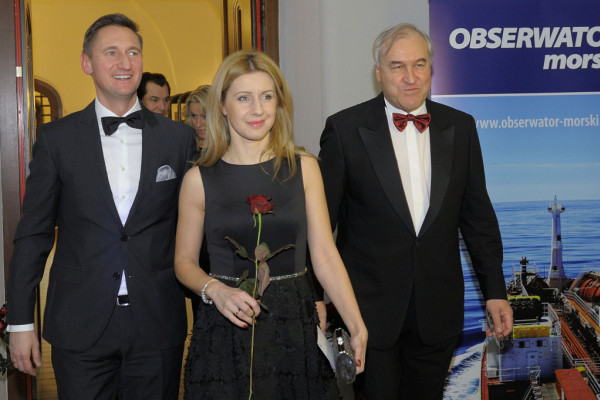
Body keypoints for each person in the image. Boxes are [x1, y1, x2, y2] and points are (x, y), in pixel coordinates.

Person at [318, 23, 513, 400]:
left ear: (431, 69)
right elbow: (322, 225)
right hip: (366, 313)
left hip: (437, 309)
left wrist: (495, 291)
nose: (410, 77)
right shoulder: (344, 130)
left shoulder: (461, 127)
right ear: (379, 73)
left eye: (419, 64)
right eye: (397, 66)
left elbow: (478, 218)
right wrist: (315, 296)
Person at [7, 13, 196, 400]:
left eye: (133, 52)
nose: (125, 63)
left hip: (157, 322)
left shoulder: (179, 139)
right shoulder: (57, 139)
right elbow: (33, 234)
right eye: (111, 52)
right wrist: (21, 322)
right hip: (80, 324)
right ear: (87, 63)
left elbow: (197, 229)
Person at [174, 50, 368, 399]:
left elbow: (325, 255)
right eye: (243, 98)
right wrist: (215, 290)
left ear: (279, 103)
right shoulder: (198, 180)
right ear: (223, 105)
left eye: (266, 96)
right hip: (226, 330)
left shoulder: (304, 168)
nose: (257, 109)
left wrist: (355, 323)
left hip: (295, 328)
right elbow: (184, 263)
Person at [185, 85, 211, 150]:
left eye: (205, 116)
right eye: (194, 116)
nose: (198, 124)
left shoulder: (231, 148)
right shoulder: (186, 146)